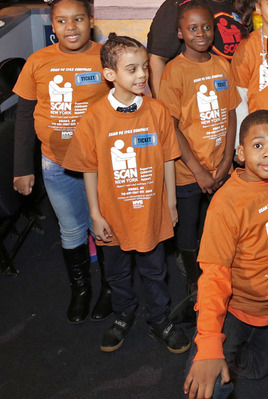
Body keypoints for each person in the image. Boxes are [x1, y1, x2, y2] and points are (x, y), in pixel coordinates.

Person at [63, 34, 190, 353]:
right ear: (109, 74)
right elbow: (88, 167)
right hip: (112, 213)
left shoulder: (157, 111)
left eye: (144, 67)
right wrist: (95, 213)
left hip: (151, 210)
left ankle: (160, 319)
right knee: (117, 273)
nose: (142, 75)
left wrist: (171, 202)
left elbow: (167, 159)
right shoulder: (93, 117)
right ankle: (122, 315)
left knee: (154, 270)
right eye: (131, 69)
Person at [12, 0, 112, 324]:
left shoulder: (106, 58)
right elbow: (25, 117)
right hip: (55, 164)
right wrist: (22, 168)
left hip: (100, 165)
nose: (71, 27)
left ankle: (109, 290)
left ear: (91, 21)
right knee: (71, 230)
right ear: (52, 25)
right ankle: (80, 289)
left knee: (105, 227)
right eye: (62, 20)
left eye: (79, 19)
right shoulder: (37, 61)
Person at [183, 110, 268, 399]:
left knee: (257, 371)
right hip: (233, 307)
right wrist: (209, 344)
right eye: (258, 146)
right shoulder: (226, 204)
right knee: (209, 385)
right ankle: (198, 321)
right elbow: (215, 275)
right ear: (241, 153)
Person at [158, 0, 239, 306]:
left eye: (206, 27)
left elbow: (230, 113)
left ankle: (219, 270)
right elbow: (172, 127)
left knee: (218, 224)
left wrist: (227, 159)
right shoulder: (174, 71)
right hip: (188, 172)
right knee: (188, 227)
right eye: (192, 28)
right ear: (181, 33)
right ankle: (193, 277)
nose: (201, 33)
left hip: (221, 166)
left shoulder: (222, 65)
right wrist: (198, 169)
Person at [147, 0, 247, 96]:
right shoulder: (181, 5)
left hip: (232, 99)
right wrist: (163, 107)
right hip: (191, 98)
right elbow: (156, 58)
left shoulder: (239, 9)